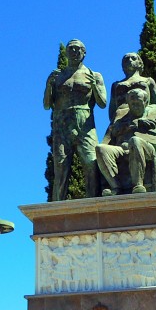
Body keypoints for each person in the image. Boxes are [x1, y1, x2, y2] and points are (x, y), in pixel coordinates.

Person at [44, 39, 107, 201]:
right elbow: (46, 105)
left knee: (92, 162)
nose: (74, 52)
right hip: (62, 124)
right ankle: (58, 206)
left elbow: (102, 103)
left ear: (84, 53)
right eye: (71, 49)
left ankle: (93, 203)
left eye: (77, 49)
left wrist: (94, 86)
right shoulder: (58, 76)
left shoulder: (94, 75)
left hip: (85, 123)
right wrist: (48, 85)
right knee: (60, 166)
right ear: (66, 53)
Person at [96, 88, 156, 195]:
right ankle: (116, 187)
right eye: (132, 103)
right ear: (128, 103)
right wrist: (135, 124)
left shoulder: (154, 112)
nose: (135, 106)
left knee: (135, 141)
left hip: (146, 149)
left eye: (138, 103)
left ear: (145, 102)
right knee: (100, 149)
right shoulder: (121, 114)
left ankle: (138, 185)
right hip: (121, 149)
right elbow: (114, 131)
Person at [108, 52, 156, 123]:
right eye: (126, 59)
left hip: (144, 117)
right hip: (121, 119)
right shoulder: (116, 85)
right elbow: (112, 110)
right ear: (123, 65)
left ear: (139, 63)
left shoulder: (148, 81)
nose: (130, 60)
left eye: (133, 58)